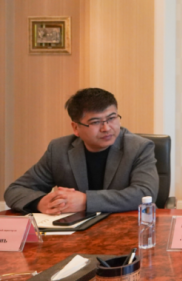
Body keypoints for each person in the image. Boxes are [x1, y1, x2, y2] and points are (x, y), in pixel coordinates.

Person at [4, 88, 159, 214]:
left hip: (126, 229)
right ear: (76, 128)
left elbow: (145, 193)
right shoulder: (59, 149)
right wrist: (41, 202)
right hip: (75, 233)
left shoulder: (139, 147)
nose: (106, 128)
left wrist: (85, 201)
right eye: (95, 122)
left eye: (112, 118)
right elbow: (15, 190)